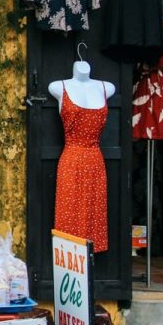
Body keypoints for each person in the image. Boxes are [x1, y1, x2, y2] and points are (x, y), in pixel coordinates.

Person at [49, 61, 116, 252]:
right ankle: (71, 263)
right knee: (69, 213)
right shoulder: (58, 87)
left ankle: (89, 260)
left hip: (95, 159)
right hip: (71, 157)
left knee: (93, 214)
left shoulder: (106, 88)